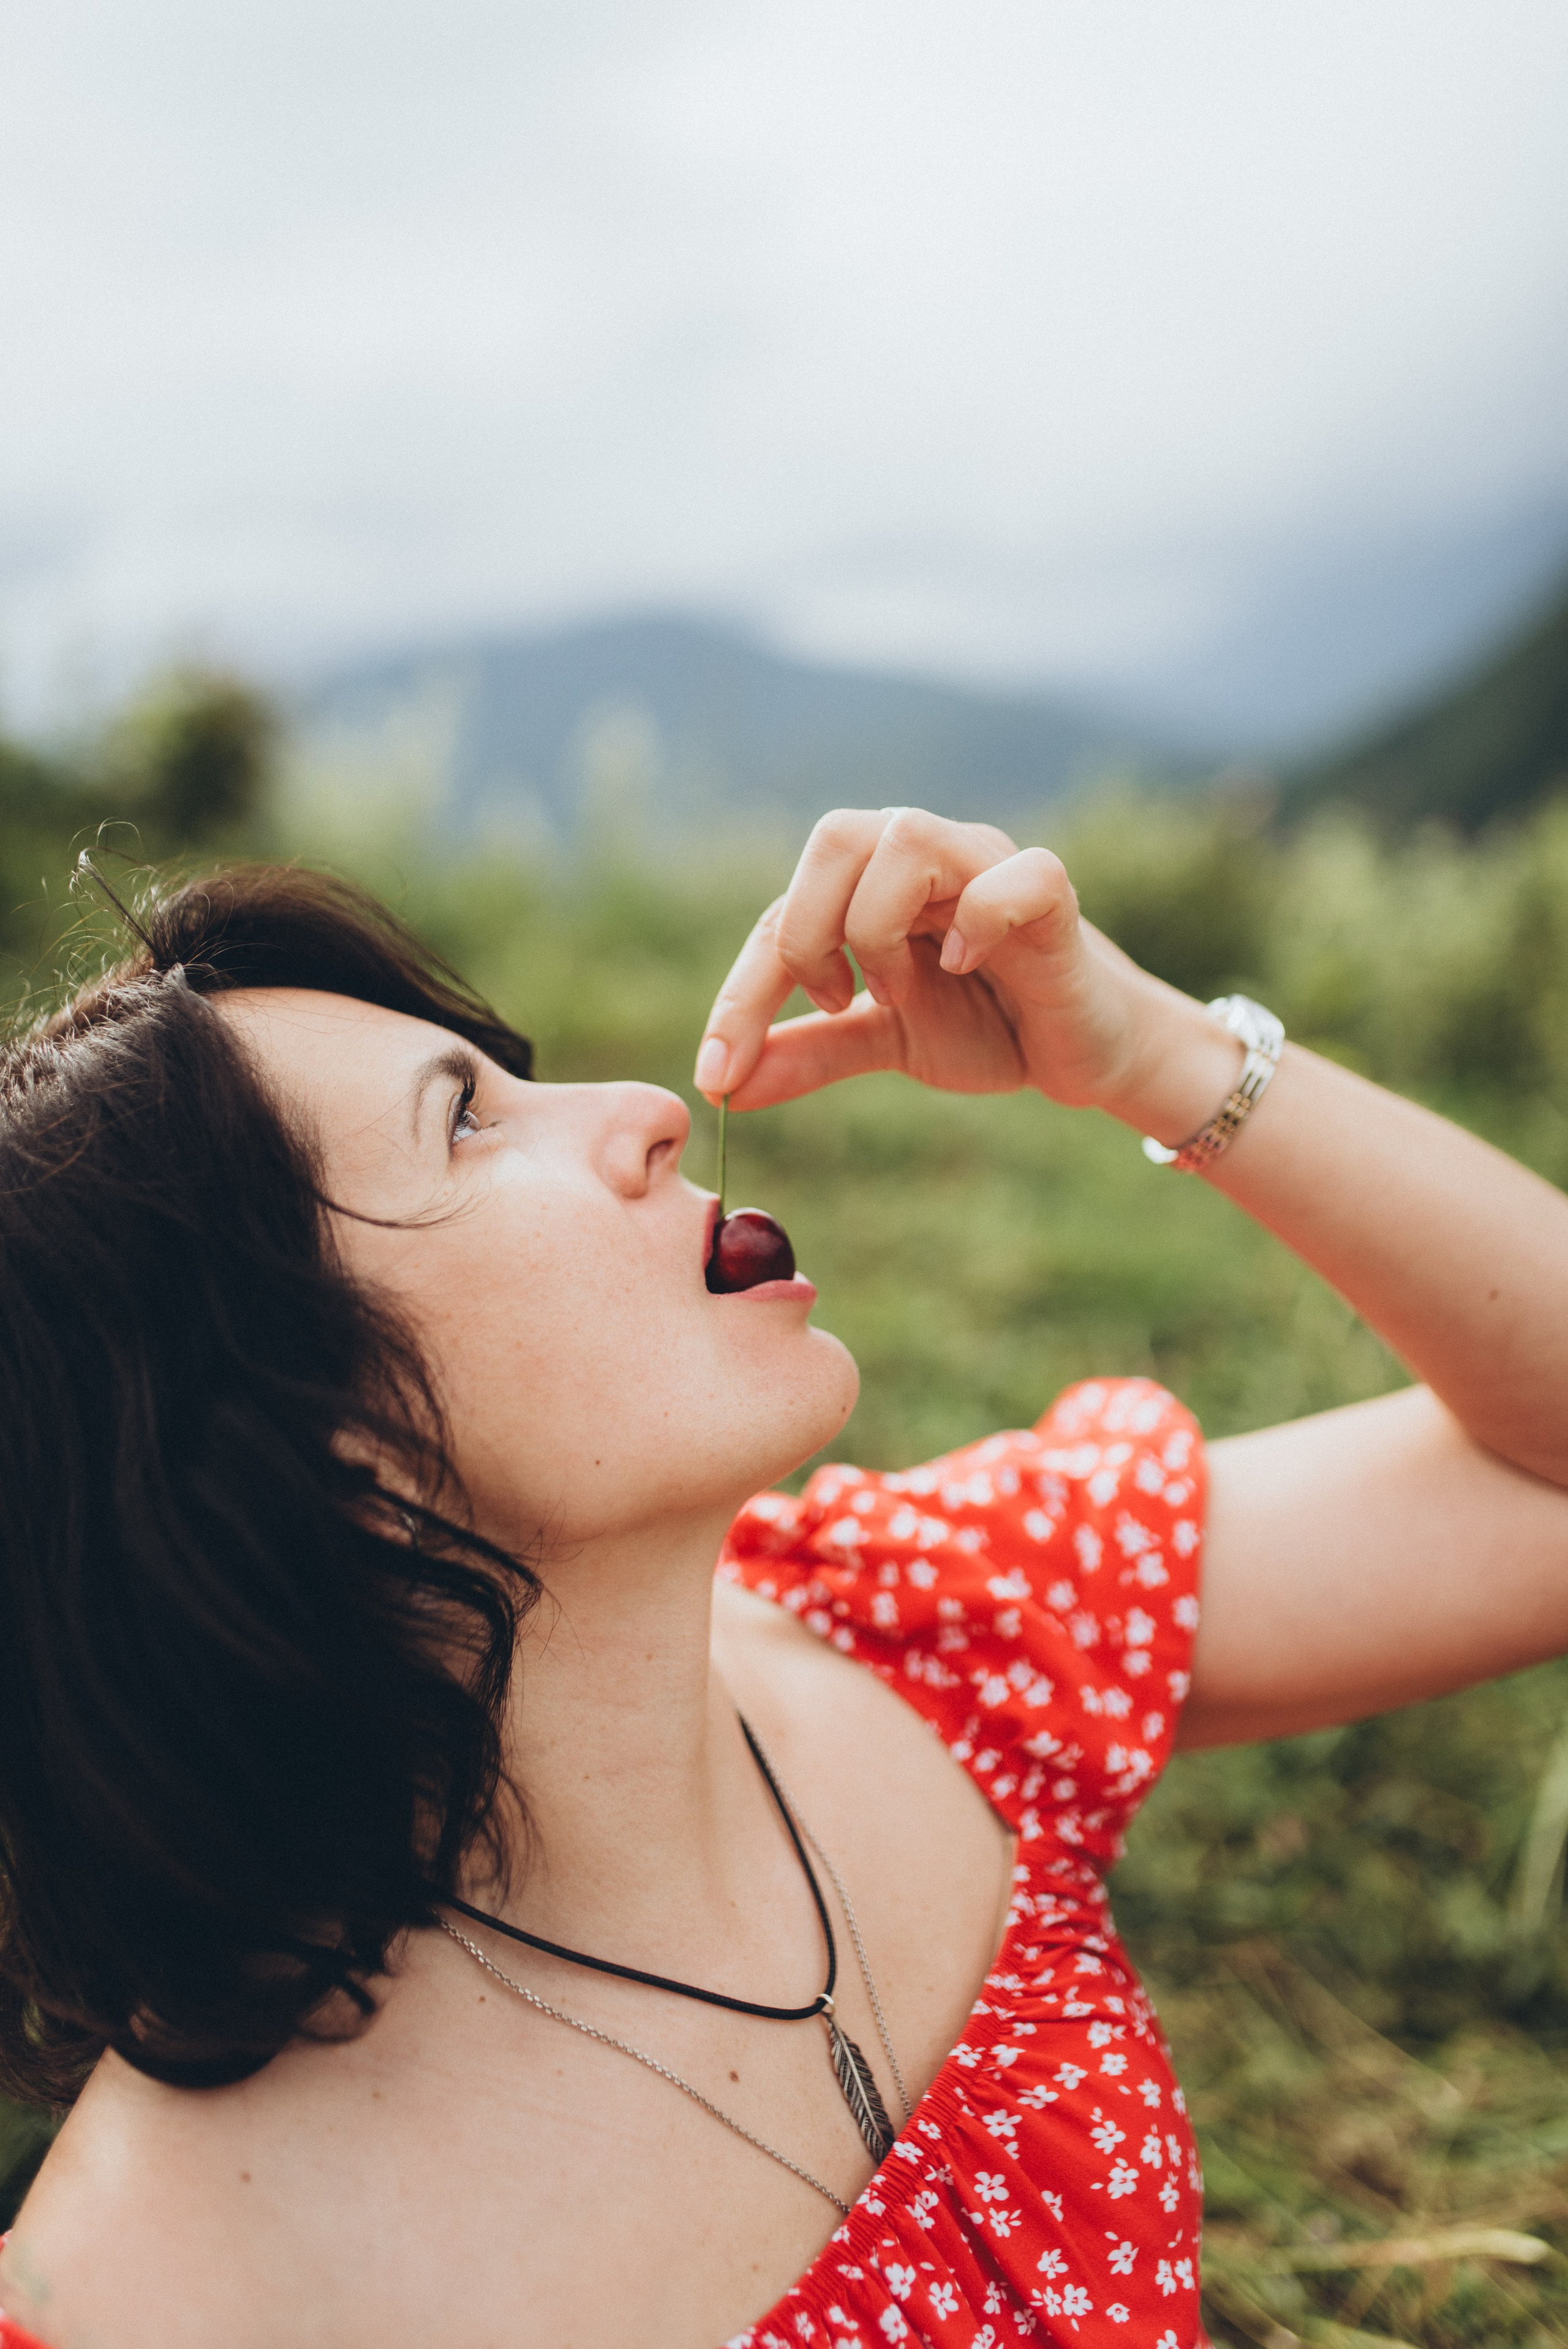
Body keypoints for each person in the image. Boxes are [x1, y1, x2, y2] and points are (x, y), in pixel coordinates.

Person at [2, 807, 1568, 2349]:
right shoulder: (169, 2298)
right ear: (307, 1451)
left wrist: (1149, 1053)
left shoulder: (910, 1629)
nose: (644, 1105)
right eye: (467, 1121)